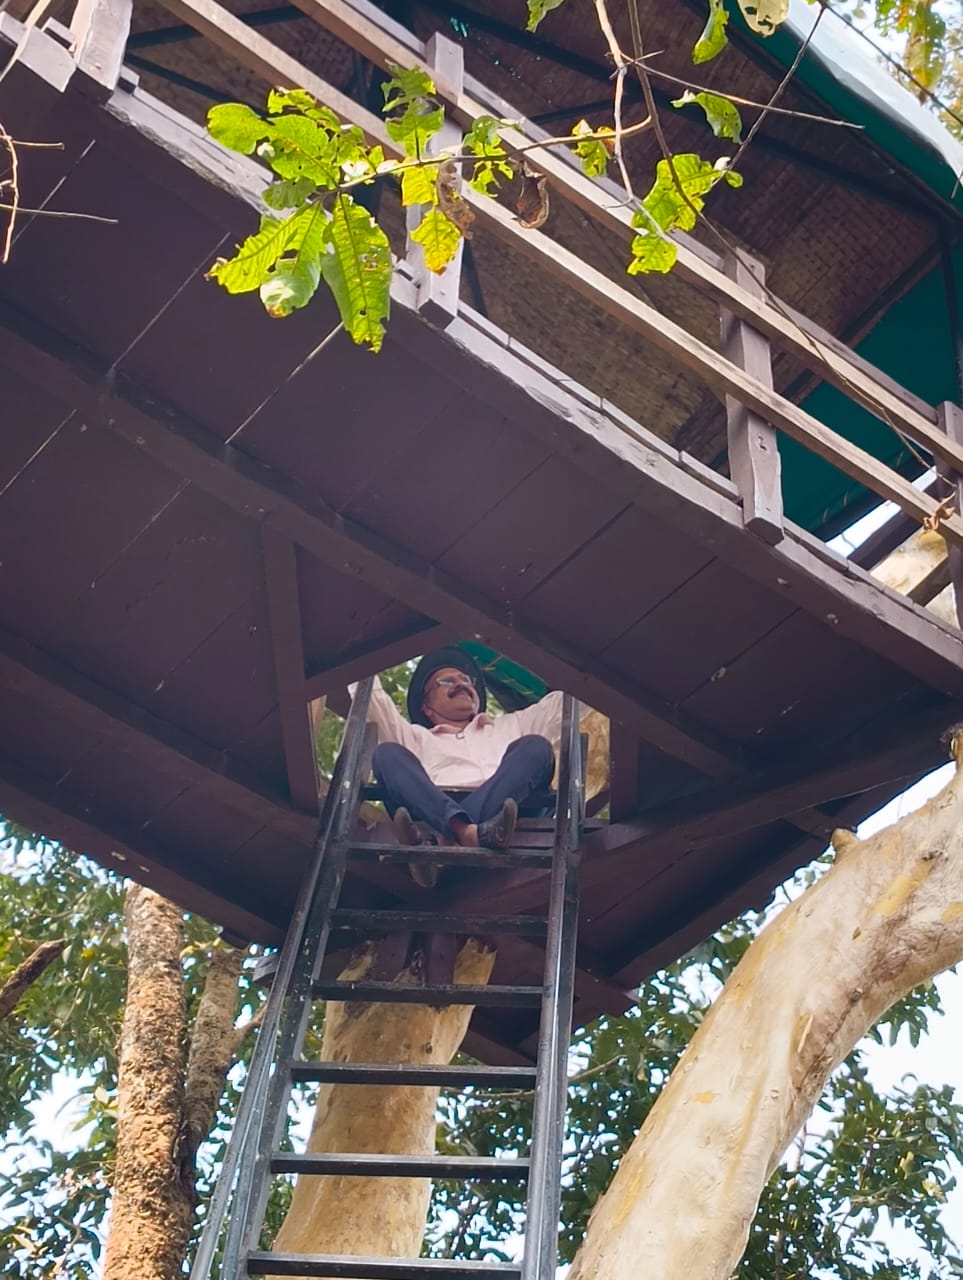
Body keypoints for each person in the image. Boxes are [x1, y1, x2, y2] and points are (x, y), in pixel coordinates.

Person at [351, 647, 565, 865]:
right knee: (386, 754)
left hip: (512, 813)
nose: (461, 684)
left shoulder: (516, 724)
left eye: (466, 679)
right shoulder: (414, 738)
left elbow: (569, 701)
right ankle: (469, 833)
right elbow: (368, 691)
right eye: (446, 682)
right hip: (437, 808)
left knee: (536, 747)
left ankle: (446, 841)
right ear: (426, 707)